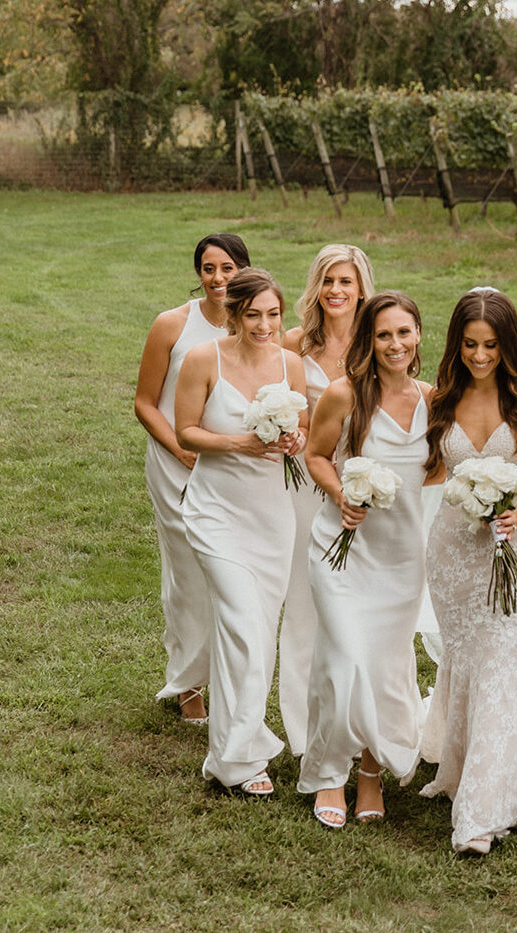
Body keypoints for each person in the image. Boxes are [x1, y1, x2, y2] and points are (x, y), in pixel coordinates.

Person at [419, 287, 517, 855]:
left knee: (503, 657)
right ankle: (461, 769)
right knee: (468, 656)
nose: (481, 356)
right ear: (457, 345)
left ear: (509, 344)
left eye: (492, 345)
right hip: (454, 551)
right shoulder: (440, 398)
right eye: (471, 345)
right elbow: (429, 470)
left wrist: (515, 512)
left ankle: (483, 808)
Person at [298, 291, 429, 829]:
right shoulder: (343, 394)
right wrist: (341, 495)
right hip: (342, 547)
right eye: (383, 335)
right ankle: (329, 771)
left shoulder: (434, 399)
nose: (395, 344)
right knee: (344, 659)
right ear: (367, 341)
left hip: (402, 556)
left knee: (385, 664)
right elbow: (315, 456)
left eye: (404, 332)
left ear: (418, 334)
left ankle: (371, 772)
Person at [175, 268, 308, 795]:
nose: (264, 325)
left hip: (271, 516)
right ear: (233, 314)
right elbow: (186, 431)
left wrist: (293, 441)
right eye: (253, 315)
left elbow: (301, 427)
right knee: (241, 625)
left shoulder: (289, 364)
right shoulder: (203, 359)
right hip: (215, 513)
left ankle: (231, 754)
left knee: (257, 636)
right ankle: (240, 759)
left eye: (273, 314)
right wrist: (242, 444)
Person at [133, 233, 249, 725]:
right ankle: (188, 684)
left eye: (227, 268)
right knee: (187, 576)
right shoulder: (172, 325)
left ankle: (230, 676)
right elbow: (144, 402)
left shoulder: (257, 323)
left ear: (243, 269)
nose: (218, 278)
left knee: (231, 575)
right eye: (208, 268)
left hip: (234, 467)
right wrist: (181, 449)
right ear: (198, 273)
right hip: (176, 463)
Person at [278, 245, 377, 756]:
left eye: (346, 281)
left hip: (366, 488)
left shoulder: (379, 341)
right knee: (303, 604)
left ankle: (361, 721)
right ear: (315, 287)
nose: (336, 291)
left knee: (359, 604)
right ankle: (302, 730)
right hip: (304, 485)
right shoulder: (294, 344)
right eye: (327, 281)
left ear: (362, 287)